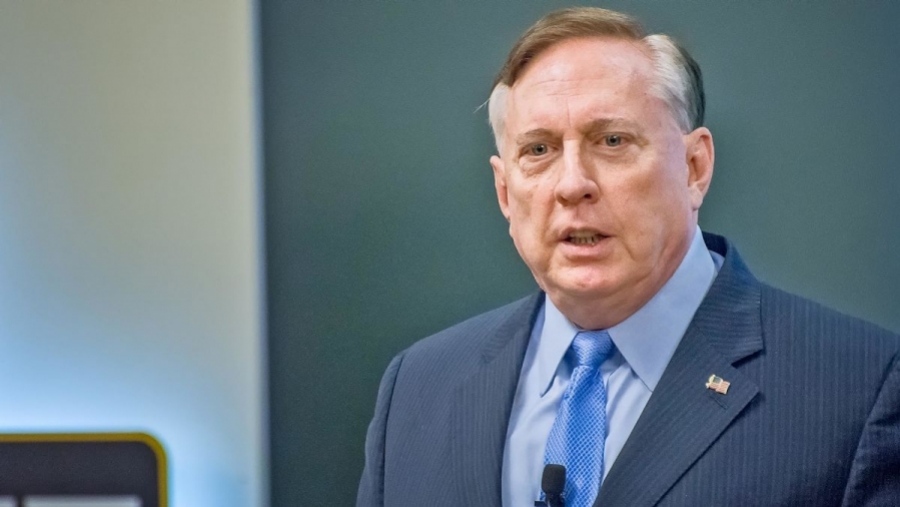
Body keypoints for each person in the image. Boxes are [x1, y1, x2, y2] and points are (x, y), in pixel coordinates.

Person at [356, 7, 900, 507]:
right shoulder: (418, 387)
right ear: (504, 192)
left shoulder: (857, 388)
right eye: (539, 150)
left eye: (612, 141)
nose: (572, 184)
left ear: (694, 167)